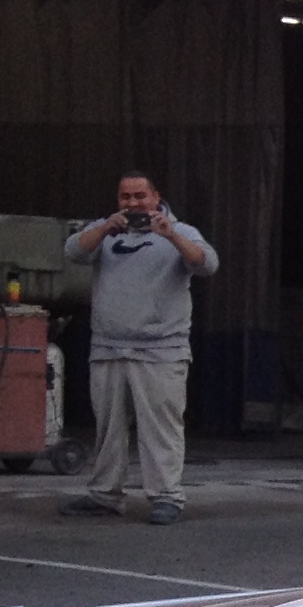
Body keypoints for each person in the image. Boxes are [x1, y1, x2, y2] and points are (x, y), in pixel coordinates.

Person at [62, 172, 215, 525]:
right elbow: (72, 251)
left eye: (139, 196)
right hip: (108, 347)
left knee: (160, 427)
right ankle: (104, 494)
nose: (132, 203)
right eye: (125, 197)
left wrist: (171, 235)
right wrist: (103, 229)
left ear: (156, 197)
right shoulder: (106, 231)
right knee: (108, 427)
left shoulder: (181, 231)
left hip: (161, 350)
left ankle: (166, 497)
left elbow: (206, 264)